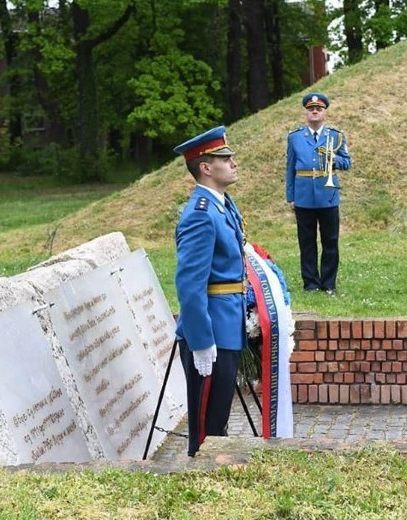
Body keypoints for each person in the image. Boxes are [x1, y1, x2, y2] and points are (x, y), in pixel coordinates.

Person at [173, 126, 247, 457]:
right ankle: (201, 484)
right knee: (207, 429)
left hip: (227, 324)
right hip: (212, 333)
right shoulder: (201, 215)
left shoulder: (221, 206)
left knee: (219, 419)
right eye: (225, 158)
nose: (233, 162)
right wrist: (202, 342)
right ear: (205, 167)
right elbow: (190, 286)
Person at [285, 92, 352, 295]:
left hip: (328, 195)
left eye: (319, 109)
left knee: (330, 241)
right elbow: (290, 168)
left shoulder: (336, 136)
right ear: (306, 112)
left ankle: (328, 284)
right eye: (311, 109)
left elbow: (347, 162)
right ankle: (311, 283)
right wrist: (291, 196)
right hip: (304, 196)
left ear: (324, 113)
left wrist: (334, 160)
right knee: (306, 242)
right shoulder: (295, 137)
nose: (315, 111)